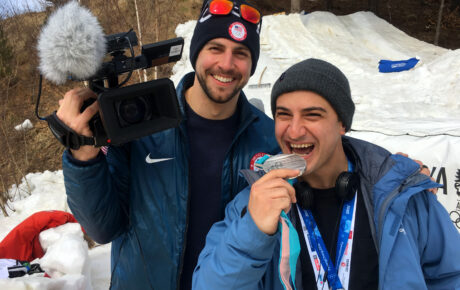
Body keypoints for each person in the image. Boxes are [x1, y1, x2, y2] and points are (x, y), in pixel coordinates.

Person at [56, 1, 280, 289]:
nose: (226, 64)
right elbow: (102, 228)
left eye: (241, 53)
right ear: (196, 53)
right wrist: (83, 156)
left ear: (252, 64)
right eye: (215, 49)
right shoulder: (141, 126)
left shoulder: (269, 139)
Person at [192, 58, 460, 289]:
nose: (294, 131)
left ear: (342, 123)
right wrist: (253, 231)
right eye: (284, 115)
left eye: (312, 115)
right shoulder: (254, 203)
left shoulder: (402, 195)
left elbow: (451, 277)